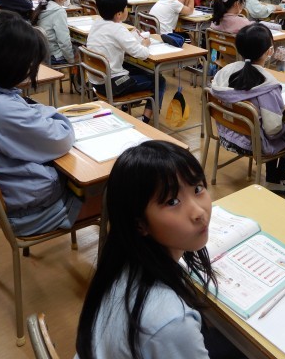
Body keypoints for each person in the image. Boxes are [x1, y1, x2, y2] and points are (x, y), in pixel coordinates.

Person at [76, 141, 244, 359]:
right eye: (172, 201)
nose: (199, 212)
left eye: (197, 189)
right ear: (139, 224)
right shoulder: (171, 322)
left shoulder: (118, 263)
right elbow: (171, 328)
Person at [0, 11, 99, 235]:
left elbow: (28, 111)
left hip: (10, 195)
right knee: (120, 194)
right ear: (6, 64)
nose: (29, 70)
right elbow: (61, 138)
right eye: (27, 64)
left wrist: (41, 112)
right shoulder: (0, 110)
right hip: (34, 211)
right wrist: (55, 115)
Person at [210, 24, 285, 190]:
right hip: (250, 143)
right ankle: (276, 178)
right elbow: (273, 130)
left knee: (270, 127)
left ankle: (273, 177)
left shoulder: (225, 71)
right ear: (269, 51)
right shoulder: (269, 86)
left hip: (225, 132)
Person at [86, 0, 165, 124]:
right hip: (112, 84)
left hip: (97, 81)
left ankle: (127, 107)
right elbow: (141, 53)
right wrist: (145, 44)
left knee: (140, 70)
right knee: (159, 80)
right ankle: (145, 120)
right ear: (119, 14)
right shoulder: (118, 29)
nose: (127, 10)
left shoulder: (97, 24)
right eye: (125, 8)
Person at [31, 0, 75, 64]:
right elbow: (64, 42)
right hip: (55, 56)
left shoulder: (40, 8)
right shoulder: (59, 11)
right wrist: (71, 61)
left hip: (42, 54)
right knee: (80, 50)